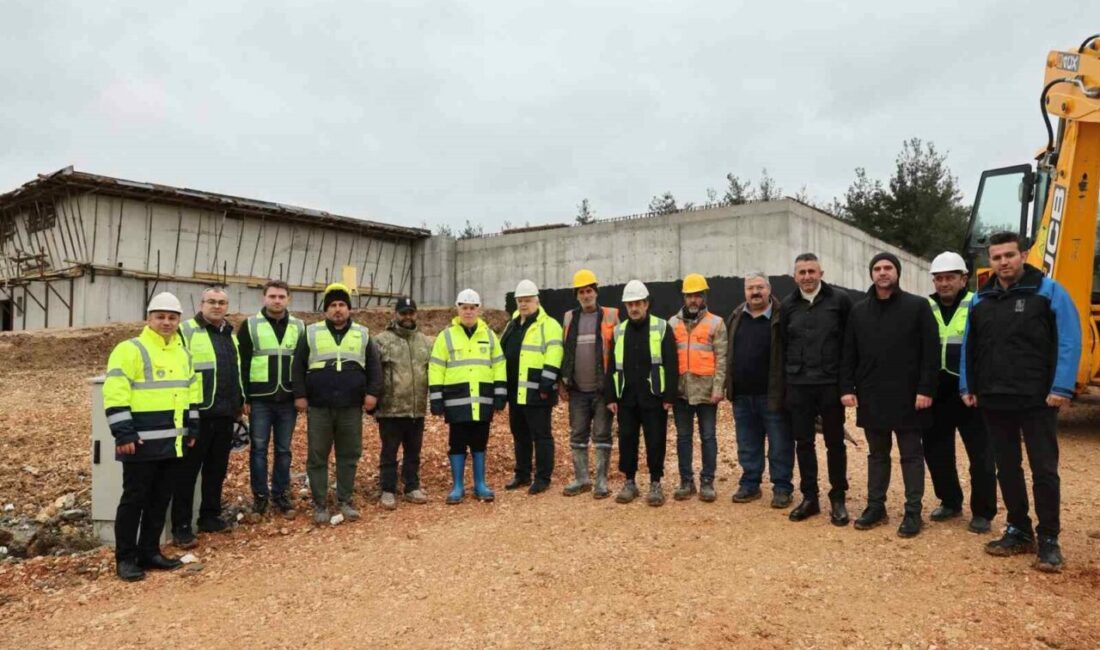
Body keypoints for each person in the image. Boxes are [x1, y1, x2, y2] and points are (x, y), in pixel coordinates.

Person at [960, 231, 1081, 573]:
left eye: (1009, 255)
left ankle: (1049, 538)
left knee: (1044, 469)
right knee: (1007, 467)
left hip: (1037, 398)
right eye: (996, 257)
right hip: (994, 398)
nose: (1003, 262)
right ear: (990, 261)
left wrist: (1062, 387)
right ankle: (1018, 529)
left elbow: (1070, 340)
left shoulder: (1049, 291)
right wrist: (968, 385)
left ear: (1024, 255)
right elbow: (971, 345)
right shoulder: (982, 299)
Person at [840, 253, 939, 537]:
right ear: (871, 274)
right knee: (877, 455)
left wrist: (926, 389)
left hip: (910, 397)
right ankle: (876, 507)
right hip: (872, 396)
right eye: (877, 268)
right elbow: (849, 353)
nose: (883, 273)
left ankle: (912, 512)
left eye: (888, 268)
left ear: (897, 272)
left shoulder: (918, 307)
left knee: (911, 455)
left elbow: (931, 353)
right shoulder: (859, 311)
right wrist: (846, 388)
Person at [103, 292, 198, 581]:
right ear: (149, 318)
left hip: (173, 442)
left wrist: (193, 427)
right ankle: (126, 558)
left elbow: (191, 393)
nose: (166, 322)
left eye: (172, 318)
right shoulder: (129, 349)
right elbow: (115, 394)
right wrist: (123, 433)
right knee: (135, 499)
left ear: (179, 320)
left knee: (160, 499)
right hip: (140, 442)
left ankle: (150, 552)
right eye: (160, 317)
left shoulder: (183, 353)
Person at [292, 283, 383, 525]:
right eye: (333, 305)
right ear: (326, 310)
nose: (338, 309)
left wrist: (372, 393)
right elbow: (298, 365)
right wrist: (299, 395)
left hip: (351, 406)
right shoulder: (311, 332)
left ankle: (345, 500)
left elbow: (374, 367)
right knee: (317, 455)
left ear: (349, 309)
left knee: (349, 453)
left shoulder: (362, 334)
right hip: (319, 406)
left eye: (342, 305)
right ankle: (320, 503)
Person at [923, 252, 997, 533]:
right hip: (936, 391)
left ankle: (983, 511)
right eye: (939, 278)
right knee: (937, 452)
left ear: (963, 278)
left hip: (970, 391)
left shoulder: (979, 304)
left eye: (950, 277)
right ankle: (950, 501)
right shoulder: (925, 306)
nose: (944, 283)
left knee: (981, 454)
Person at [780, 253, 852, 525]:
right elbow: (784, 345)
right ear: (794, 276)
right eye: (802, 272)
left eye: (812, 271)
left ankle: (838, 498)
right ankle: (810, 497)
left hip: (830, 385)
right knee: (804, 443)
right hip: (799, 385)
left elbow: (849, 345)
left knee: (835, 443)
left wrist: (847, 385)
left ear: (821, 272)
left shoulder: (840, 301)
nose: (807, 277)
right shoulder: (788, 305)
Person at [172, 285, 243, 548]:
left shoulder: (229, 334)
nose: (216, 306)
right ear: (201, 304)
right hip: (197, 414)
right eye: (211, 301)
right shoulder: (187, 331)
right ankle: (181, 526)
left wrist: (239, 402)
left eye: (221, 303)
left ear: (227, 307)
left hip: (224, 414)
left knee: (216, 470)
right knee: (187, 473)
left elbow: (234, 372)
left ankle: (209, 516)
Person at [605, 280, 678, 507]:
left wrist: (669, 396)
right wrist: (610, 397)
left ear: (646, 304)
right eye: (630, 304)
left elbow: (671, 363)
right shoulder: (619, 331)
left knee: (655, 440)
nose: (634, 308)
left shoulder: (662, 327)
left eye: (638, 303)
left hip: (654, 396)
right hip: (626, 396)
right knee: (627, 439)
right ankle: (630, 482)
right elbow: (611, 366)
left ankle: (655, 483)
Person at [429, 289, 507, 504]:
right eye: (464, 307)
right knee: (457, 442)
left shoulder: (489, 336)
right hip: (457, 401)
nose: (468, 312)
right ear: (458, 309)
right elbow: (436, 367)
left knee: (480, 442)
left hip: (482, 400)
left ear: (478, 310)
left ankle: (480, 484)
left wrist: (500, 393)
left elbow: (499, 364)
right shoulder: (446, 337)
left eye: (472, 308)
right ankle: (458, 486)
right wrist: (436, 398)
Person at [237, 279, 305, 520]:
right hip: (260, 400)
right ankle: (260, 498)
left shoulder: (299, 327)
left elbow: (302, 364)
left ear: (289, 299)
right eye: (272, 296)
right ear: (264, 298)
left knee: (284, 450)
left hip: (287, 399)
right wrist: (244, 396)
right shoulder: (250, 326)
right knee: (258, 450)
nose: (277, 301)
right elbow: (242, 362)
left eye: (281, 297)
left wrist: (301, 395)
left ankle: (281, 495)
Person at [726, 272, 794, 507]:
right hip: (743, 395)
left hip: (772, 394)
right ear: (745, 291)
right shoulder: (736, 316)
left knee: (780, 444)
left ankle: (782, 487)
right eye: (750, 288)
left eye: (760, 287)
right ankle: (750, 484)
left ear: (769, 289)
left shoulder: (782, 315)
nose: (755, 292)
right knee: (747, 444)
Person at [559, 269, 620, 498]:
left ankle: (601, 481)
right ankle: (582, 478)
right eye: (582, 292)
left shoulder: (611, 315)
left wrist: (615, 388)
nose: (586, 295)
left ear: (596, 292)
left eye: (589, 291)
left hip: (602, 389)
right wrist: (562, 382)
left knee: (602, 435)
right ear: (577, 295)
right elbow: (565, 351)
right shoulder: (569, 318)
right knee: (577, 435)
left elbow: (618, 353)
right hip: (577, 390)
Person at [501, 280, 564, 494]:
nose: (523, 304)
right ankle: (522, 474)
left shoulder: (549, 325)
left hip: (538, 390)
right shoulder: (513, 323)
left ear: (536, 300)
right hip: (515, 390)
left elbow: (554, 355)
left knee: (541, 434)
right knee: (519, 433)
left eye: (527, 300)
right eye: (520, 300)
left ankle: (543, 477)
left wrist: (546, 384)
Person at [669, 273, 727, 502]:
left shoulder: (716, 323)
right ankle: (686, 481)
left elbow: (722, 359)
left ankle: (707, 481)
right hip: (681, 391)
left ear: (704, 297)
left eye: (697, 295)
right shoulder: (672, 324)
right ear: (684, 297)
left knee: (708, 436)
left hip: (706, 392)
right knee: (683, 438)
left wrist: (718, 388)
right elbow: (668, 359)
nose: (693, 300)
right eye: (689, 295)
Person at [373, 297, 433, 509]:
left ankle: (411, 486)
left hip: (416, 409)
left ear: (416, 314)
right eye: (403, 313)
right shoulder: (381, 341)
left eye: (411, 313)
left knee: (413, 451)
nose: (407, 317)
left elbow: (432, 373)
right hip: (390, 409)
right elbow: (374, 373)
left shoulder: (425, 342)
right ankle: (388, 489)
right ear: (395, 314)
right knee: (389, 451)